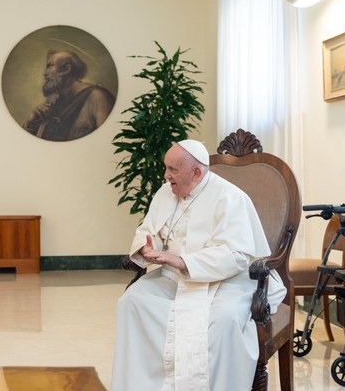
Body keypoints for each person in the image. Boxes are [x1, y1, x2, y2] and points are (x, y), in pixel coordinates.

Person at [111, 139, 286, 391]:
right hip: (172, 278)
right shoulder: (165, 193)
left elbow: (238, 256)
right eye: (166, 168)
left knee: (225, 320)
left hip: (226, 282)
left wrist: (183, 261)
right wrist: (147, 248)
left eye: (173, 169)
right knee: (131, 302)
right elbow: (149, 230)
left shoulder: (230, 197)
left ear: (196, 172)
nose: (166, 175)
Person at [23, 50, 115, 141]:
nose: (45, 73)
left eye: (50, 66)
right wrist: (32, 122)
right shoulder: (54, 102)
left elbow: (108, 139)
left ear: (67, 69)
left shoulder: (98, 97)